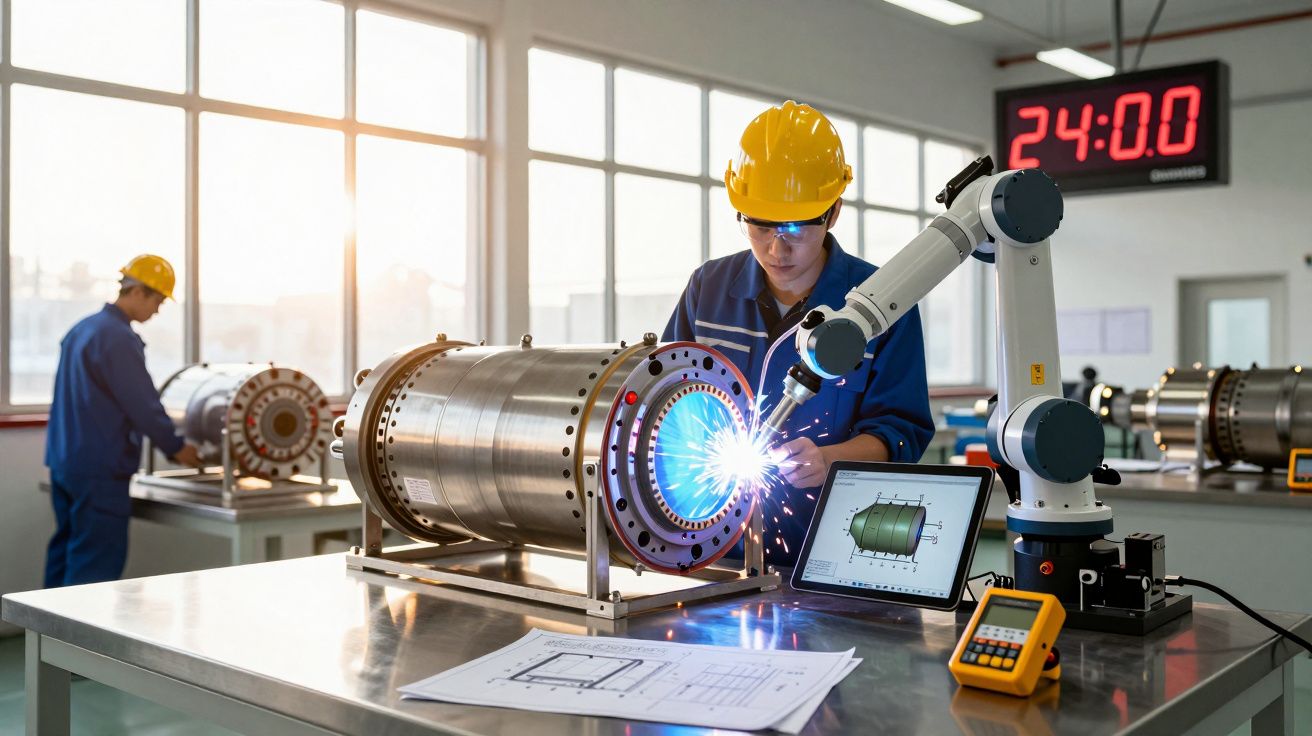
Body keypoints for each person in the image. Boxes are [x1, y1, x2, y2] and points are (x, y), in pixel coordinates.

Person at [663, 101, 935, 567]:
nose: (775, 247)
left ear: (832, 214)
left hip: (832, 541)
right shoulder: (708, 289)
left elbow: (899, 432)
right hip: (709, 537)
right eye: (759, 224)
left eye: (793, 228)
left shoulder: (881, 304)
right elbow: (665, 390)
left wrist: (828, 459)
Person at [43, 254, 201, 587]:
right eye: (157, 301)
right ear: (138, 292)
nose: (157, 310)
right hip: (99, 471)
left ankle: (46, 636)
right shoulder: (118, 339)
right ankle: (79, 639)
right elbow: (142, 405)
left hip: (65, 463)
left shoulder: (81, 330)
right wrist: (175, 447)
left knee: (67, 549)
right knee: (94, 566)